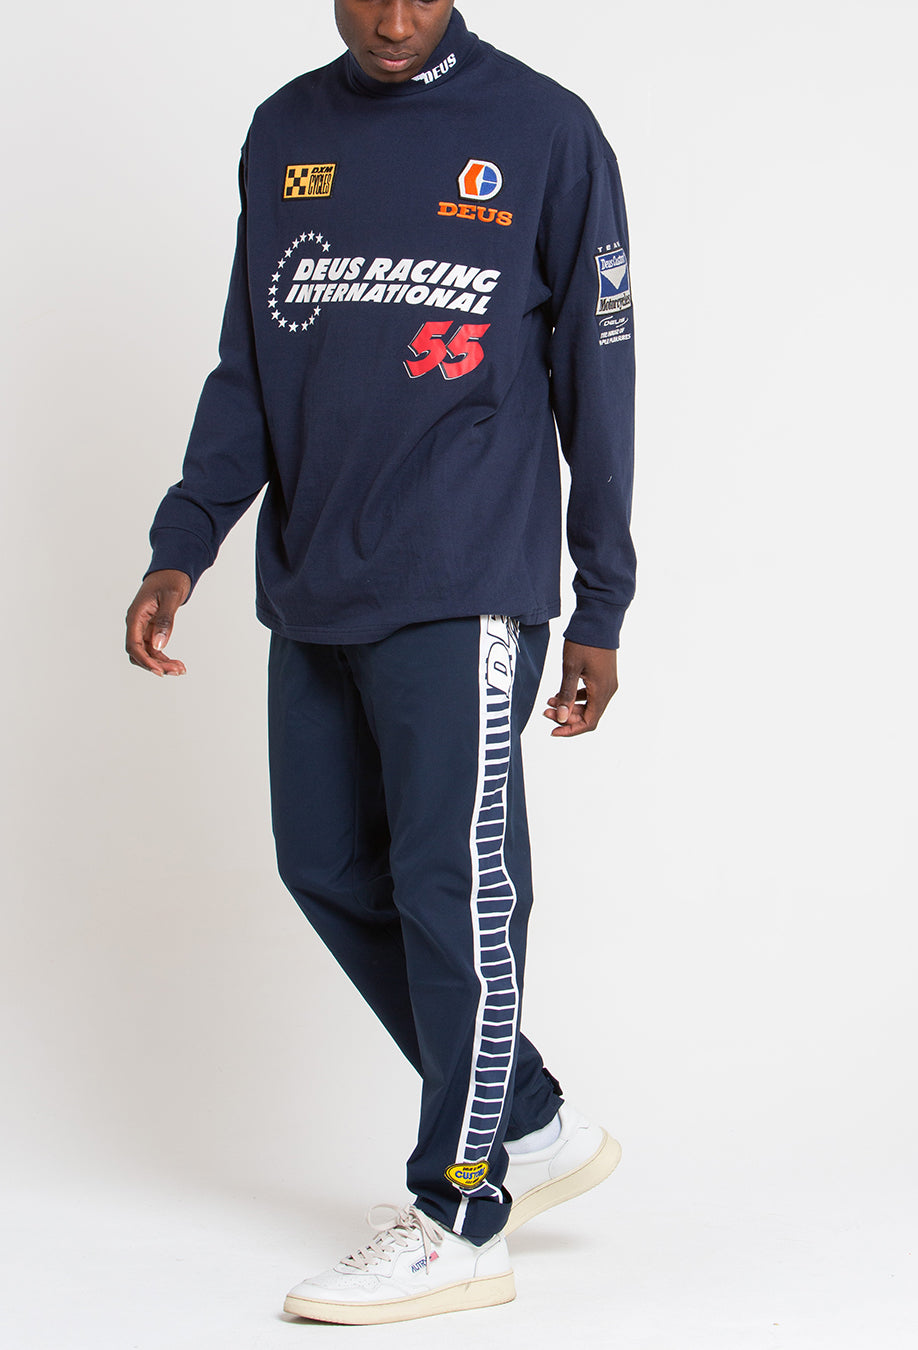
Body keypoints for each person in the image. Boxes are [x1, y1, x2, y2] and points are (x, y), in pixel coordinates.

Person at [124, 0, 635, 1326]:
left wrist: (601, 599)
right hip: (315, 575)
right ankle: (524, 1117)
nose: (395, 19)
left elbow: (599, 374)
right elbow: (250, 366)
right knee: (325, 862)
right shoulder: (284, 130)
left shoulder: (544, 130)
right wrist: (186, 540)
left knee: (454, 889)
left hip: (465, 575)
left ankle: (462, 1214)